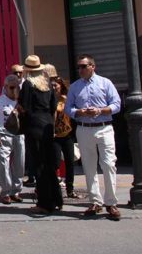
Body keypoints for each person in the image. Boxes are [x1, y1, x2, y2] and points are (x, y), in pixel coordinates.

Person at [66, 54, 122, 221]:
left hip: (104, 128)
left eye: (83, 66)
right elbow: (68, 108)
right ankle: (95, 201)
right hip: (84, 128)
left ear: (92, 66)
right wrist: (79, 112)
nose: (80, 70)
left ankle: (111, 202)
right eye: (78, 67)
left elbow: (117, 104)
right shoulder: (75, 87)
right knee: (89, 166)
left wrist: (100, 110)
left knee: (108, 164)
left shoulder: (105, 83)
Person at [17, 55, 61, 215]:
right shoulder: (48, 85)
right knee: (49, 165)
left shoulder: (28, 85)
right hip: (47, 124)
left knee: (39, 166)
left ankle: (44, 202)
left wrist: (18, 107)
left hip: (34, 126)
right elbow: (53, 107)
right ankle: (56, 199)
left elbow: (25, 107)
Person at [0, 75, 25, 205]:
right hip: (4, 135)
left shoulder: (22, 100)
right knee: (3, 164)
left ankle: (16, 191)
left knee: (20, 163)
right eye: (11, 87)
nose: (14, 90)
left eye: (17, 87)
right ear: (5, 87)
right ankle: (6, 191)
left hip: (19, 135)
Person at [52, 75, 77, 199]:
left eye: (55, 85)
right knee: (55, 163)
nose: (54, 88)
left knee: (70, 162)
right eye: (52, 86)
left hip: (67, 134)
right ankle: (56, 190)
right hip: (54, 135)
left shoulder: (66, 99)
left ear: (61, 86)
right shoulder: (50, 99)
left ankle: (70, 189)